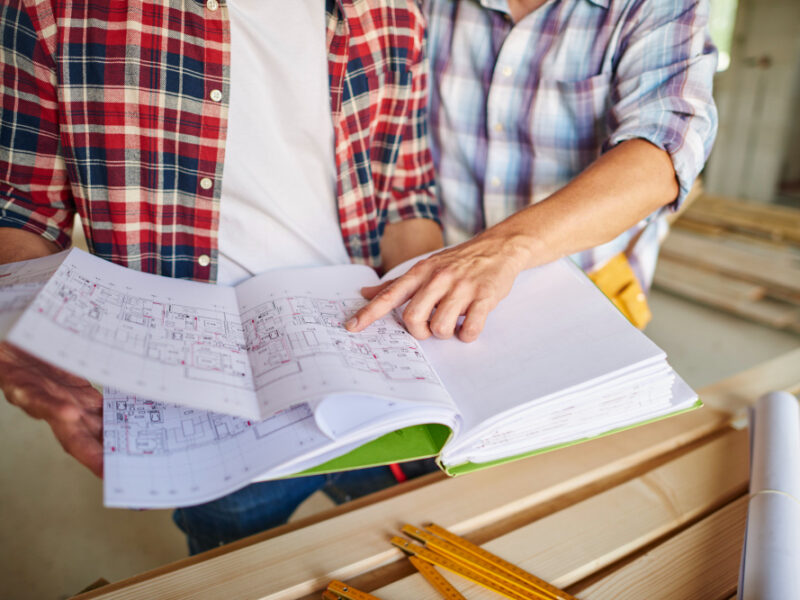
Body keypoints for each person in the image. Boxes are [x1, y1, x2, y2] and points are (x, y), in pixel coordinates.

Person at [0, 0, 442, 553]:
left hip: (370, 367)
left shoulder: (394, 7)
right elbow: (21, 212)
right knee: (236, 572)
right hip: (200, 397)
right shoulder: (54, 9)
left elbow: (405, 194)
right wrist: (19, 341)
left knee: (410, 555)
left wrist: (431, 350)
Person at [347, 0, 719, 341]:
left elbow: (660, 157)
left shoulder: (657, 6)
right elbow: (397, 143)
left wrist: (501, 251)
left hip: (586, 280)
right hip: (441, 271)